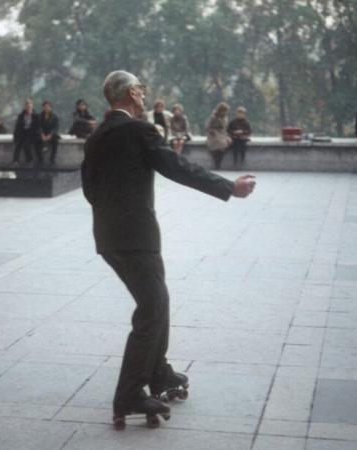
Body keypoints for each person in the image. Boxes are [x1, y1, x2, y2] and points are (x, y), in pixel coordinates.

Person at [81, 70, 256, 430]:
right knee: (152, 308)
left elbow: (88, 188)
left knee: (156, 303)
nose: (144, 96)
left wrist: (112, 213)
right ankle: (129, 393)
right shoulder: (140, 130)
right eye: (141, 90)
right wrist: (228, 187)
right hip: (137, 236)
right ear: (131, 93)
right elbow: (176, 167)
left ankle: (159, 374)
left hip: (109, 237)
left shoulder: (97, 135)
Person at [12, 98, 40, 167]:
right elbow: (18, 126)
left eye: (30, 106)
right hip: (23, 132)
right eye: (27, 106)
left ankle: (30, 161)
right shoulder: (21, 115)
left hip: (31, 133)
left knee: (27, 145)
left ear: (32, 106)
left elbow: (38, 126)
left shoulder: (36, 115)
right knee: (18, 144)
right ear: (25, 107)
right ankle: (15, 161)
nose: (28, 107)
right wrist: (15, 135)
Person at [206, 102, 231, 170]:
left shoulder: (225, 118)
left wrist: (227, 136)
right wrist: (214, 131)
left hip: (222, 133)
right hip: (213, 134)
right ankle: (216, 161)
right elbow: (208, 127)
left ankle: (218, 160)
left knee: (226, 143)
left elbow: (225, 128)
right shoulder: (213, 117)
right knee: (219, 143)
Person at [38, 100, 60, 166]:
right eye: (45, 107)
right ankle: (40, 159)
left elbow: (55, 128)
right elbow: (39, 126)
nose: (46, 108)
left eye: (48, 107)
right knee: (36, 141)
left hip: (51, 134)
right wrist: (42, 134)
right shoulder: (40, 116)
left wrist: (50, 135)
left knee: (55, 142)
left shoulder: (54, 116)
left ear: (50, 108)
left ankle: (52, 159)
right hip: (42, 134)